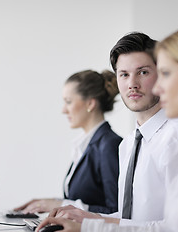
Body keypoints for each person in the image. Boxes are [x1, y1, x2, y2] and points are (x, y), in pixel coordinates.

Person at [37, 21, 178, 232]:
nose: (155, 86)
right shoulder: (134, 144)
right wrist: (89, 222)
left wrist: (92, 227)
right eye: (124, 75)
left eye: (163, 73)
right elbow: (167, 230)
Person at [43, 32, 178, 226]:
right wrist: (86, 219)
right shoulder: (128, 145)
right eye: (124, 74)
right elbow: (129, 218)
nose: (132, 84)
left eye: (143, 72)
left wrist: (91, 223)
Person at [14, 69, 122, 214]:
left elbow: (116, 212)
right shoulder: (86, 145)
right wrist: (49, 203)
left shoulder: (108, 145)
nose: (64, 110)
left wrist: (61, 204)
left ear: (90, 104)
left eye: (68, 102)